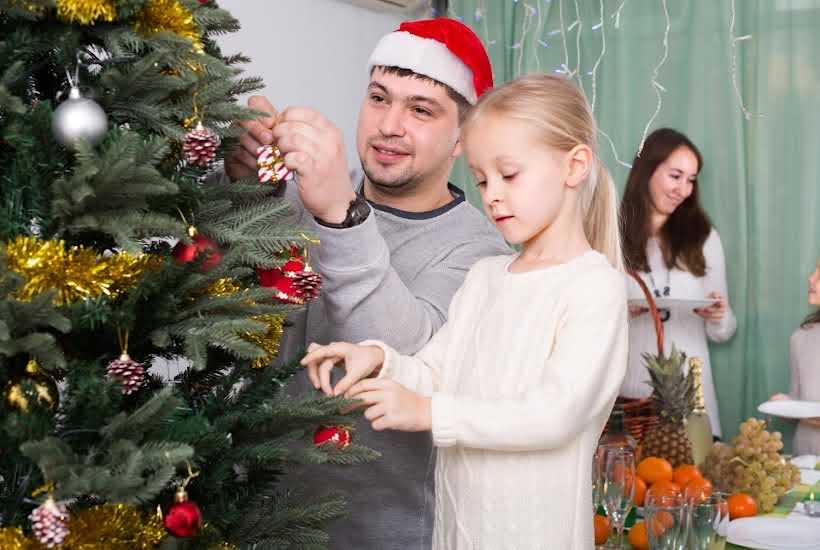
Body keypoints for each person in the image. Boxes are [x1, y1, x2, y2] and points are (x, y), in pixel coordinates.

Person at [301, 74, 629, 550]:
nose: (492, 194)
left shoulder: (593, 287)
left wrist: (429, 412)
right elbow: (438, 371)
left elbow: (553, 414)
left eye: (509, 174)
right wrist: (378, 359)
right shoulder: (486, 275)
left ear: (574, 166)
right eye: (481, 179)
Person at [224, 18, 509, 549]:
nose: (389, 125)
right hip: (253, 522)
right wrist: (238, 172)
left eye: (421, 109)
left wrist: (339, 215)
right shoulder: (308, 194)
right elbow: (210, 284)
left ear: (463, 139)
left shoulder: (483, 257)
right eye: (379, 98)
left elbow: (403, 360)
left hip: (384, 535)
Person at [619, 128, 736, 437]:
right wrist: (617, 314)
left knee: (695, 482)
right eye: (675, 176)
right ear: (647, 171)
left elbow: (724, 332)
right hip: (630, 400)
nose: (683, 190)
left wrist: (719, 315)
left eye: (691, 180)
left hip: (693, 400)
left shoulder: (704, 237)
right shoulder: (612, 234)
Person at [770, 258, 820, 455]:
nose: (811, 279)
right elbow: (800, 403)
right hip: (806, 461)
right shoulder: (801, 337)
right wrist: (786, 405)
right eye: (814, 271)